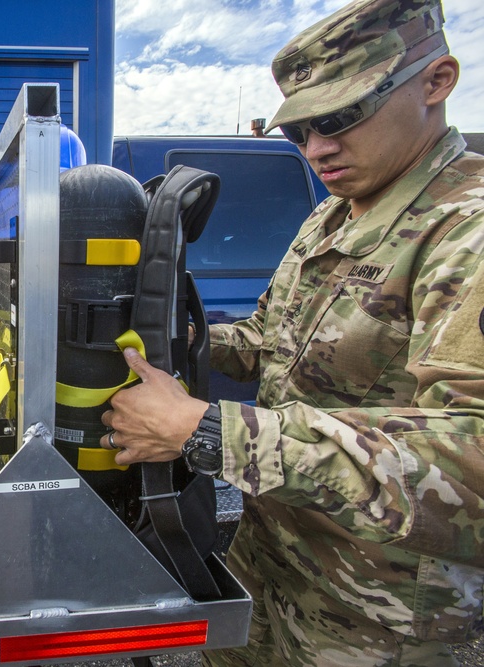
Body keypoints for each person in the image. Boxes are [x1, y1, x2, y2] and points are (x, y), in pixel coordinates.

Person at [99, 0, 484, 664]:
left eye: (338, 118)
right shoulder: (331, 219)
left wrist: (204, 428)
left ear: (437, 80)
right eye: (298, 131)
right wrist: (167, 338)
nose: (315, 149)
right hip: (268, 569)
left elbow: (471, 460)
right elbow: (270, 342)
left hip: (379, 620)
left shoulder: (466, 232)